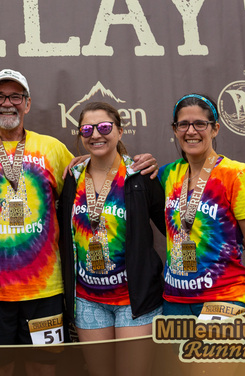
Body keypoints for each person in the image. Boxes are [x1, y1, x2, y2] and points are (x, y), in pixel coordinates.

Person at [0, 70, 158, 376]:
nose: (7, 103)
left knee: (44, 369)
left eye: (15, 96)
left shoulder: (52, 149)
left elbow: (95, 182)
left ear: (27, 104)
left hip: (45, 293)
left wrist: (140, 163)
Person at [57, 102, 164, 376]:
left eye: (104, 127)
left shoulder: (140, 176)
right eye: (87, 129)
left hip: (134, 300)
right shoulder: (73, 177)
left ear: (120, 131)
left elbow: (173, 230)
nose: (96, 134)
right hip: (88, 299)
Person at [159, 94, 245, 316]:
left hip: (224, 298)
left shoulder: (236, 174)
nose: (191, 131)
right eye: (183, 125)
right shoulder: (168, 173)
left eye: (200, 124)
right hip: (175, 302)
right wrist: (86, 161)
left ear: (215, 128)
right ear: (175, 130)